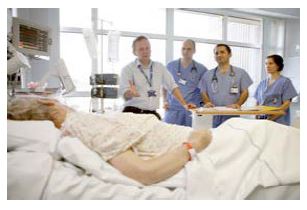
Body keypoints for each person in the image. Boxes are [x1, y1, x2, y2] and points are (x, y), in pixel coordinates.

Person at [7, 97, 212, 186]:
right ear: (48, 102)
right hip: (206, 145)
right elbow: (144, 173)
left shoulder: (81, 123)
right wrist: (193, 145)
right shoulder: (80, 124)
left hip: (189, 136)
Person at [119, 36, 195, 120]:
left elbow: (172, 86)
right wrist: (130, 93)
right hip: (132, 113)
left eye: (147, 48)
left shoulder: (159, 67)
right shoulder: (128, 69)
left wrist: (184, 104)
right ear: (134, 52)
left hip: (151, 114)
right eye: (141, 49)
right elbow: (124, 95)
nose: (145, 51)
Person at [198, 44, 253, 128]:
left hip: (232, 114)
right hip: (214, 114)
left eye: (222, 52)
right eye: (216, 53)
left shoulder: (240, 73)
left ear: (230, 54)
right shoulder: (208, 74)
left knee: (232, 138)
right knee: (215, 138)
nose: (219, 55)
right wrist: (207, 102)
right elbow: (203, 92)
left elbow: (245, 92)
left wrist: (238, 104)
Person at [163, 39, 208, 127]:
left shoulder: (201, 69)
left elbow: (205, 90)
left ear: (194, 50)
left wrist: (203, 105)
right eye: (183, 49)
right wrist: (164, 101)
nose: (185, 51)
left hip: (191, 110)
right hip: (173, 109)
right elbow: (164, 86)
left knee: (190, 137)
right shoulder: (170, 66)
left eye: (189, 49)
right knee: (170, 137)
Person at [254, 54, 298, 126]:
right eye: (266, 64)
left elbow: (286, 104)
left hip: (278, 121)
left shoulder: (285, 82)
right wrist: (256, 117)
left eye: (271, 63)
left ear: (278, 65)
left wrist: (271, 118)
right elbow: (257, 102)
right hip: (262, 120)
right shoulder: (262, 83)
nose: (267, 66)